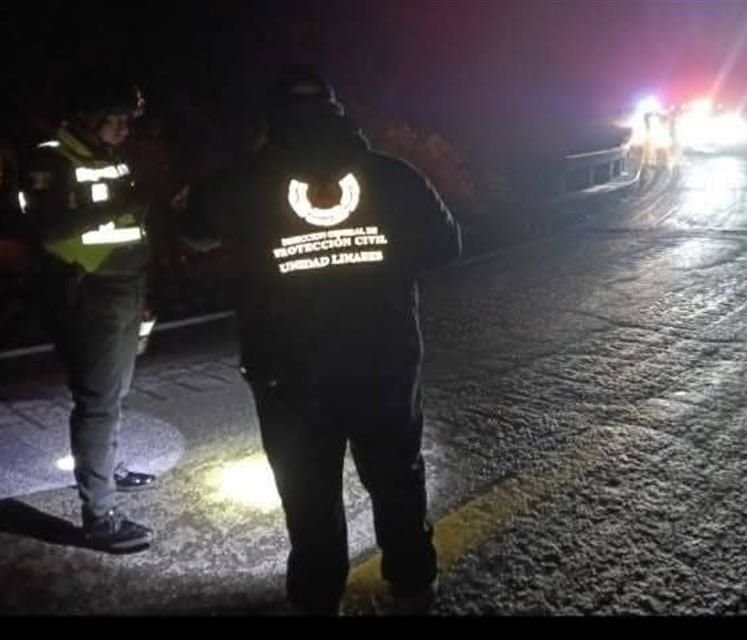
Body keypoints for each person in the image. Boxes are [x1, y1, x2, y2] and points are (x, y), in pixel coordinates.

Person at [180, 66, 461, 615]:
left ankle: (315, 600)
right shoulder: (393, 176)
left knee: (308, 497)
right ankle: (413, 589)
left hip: (288, 373)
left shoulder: (241, 184)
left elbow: (193, 233)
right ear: (338, 111)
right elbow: (445, 246)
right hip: (384, 361)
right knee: (397, 478)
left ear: (272, 119)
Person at [19, 78, 156, 552]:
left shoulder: (106, 153)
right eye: (114, 118)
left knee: (115, 392)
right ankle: (100, 517)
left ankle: (108, 470)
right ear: (87, 115)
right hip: (88, 290)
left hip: (125, 284)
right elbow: (49, 229)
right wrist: (124, 205)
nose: (123, 129)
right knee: (98, 399)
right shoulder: (52, 157)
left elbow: (127, 223)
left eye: (126, 120)